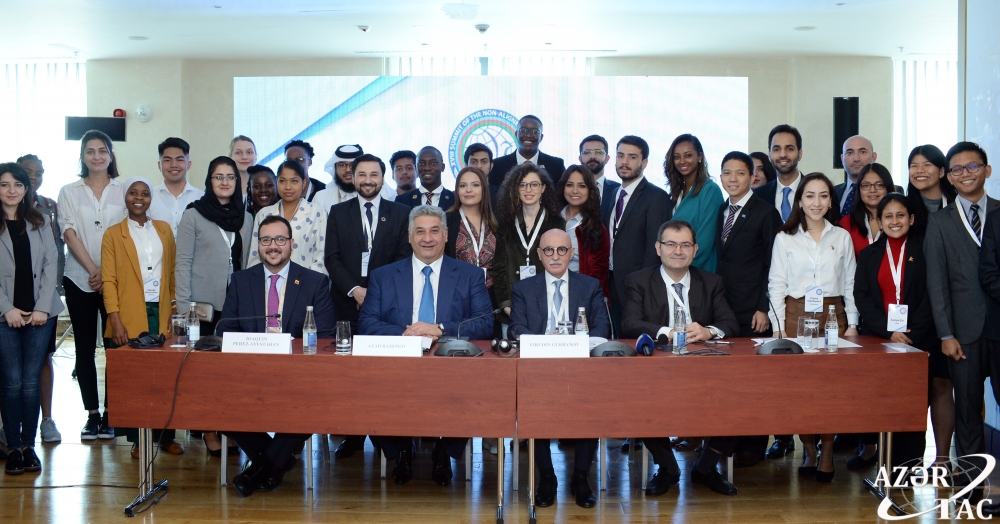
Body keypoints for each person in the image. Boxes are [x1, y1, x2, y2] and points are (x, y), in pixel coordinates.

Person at [359, 205, 493, 487]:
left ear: (446, 235)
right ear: (409, 237)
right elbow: (367, 323)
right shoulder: (384, 275)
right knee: (363, 390)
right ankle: (400, 449)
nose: (427, 238)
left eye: (434, 231)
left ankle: (445, 450)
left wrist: (439, 328)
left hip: (453, 368)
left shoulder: (470, 275)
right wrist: (406, 333)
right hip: (397, 367)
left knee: (482, 390)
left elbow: (484, 323)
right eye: (420, 231)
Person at [621, 220, 739, 496]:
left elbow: (730, 323)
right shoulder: (638, 281)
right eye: (671, 244)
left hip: (704, 371)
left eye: (685, 245)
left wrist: (708, 331)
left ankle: (706, 467)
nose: (678, 251)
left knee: (741, 399)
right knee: (637, 400)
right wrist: (669, 333)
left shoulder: (711, 282)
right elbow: (629, 323)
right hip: (655, 373)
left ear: (695, 250)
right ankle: (668, 468)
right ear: (658, 248)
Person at [221, 215, 336, 498]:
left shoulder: (314, 282)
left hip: (297, 375)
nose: (273, 246)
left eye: (280, 240)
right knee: (217, 402)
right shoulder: (240, 280)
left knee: (310, 403)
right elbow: (226, 328)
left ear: (291, 244)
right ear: (258, 245)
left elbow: (325, 336)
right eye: (266, 240)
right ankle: (276, 461)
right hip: (249, 373)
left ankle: (263, 466)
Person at [508, 229, 610, 508]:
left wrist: (575, 344)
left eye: (562, 250)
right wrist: (545, 342)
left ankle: (580, 477)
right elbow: (516, 329)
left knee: (591, 405)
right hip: (538, 368)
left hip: (580, 367)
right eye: (549, 251)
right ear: (539, 255)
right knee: (533, 404)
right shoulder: (523, 289)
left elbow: (602, 329)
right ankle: (547, 477)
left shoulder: (589, 286)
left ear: (571, 253)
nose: (555, 256)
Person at [767, 172, 859, 481]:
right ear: (800, 200)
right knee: (801, 389)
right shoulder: (785, 237)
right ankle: (808, 449)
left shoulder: (841, 237)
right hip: (795, 316)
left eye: (823, 196)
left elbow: (850, 283)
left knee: (832, 389)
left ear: (830, 201)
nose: (816, 202)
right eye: (810, 196)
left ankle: (828, 451)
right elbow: (776, 284)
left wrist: (853, 322)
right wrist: (778, 328)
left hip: (834, 317)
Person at [927, 141, 998, 485]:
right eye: (958, 169)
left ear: (987, 170)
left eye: (973, 167)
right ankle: (971, 482)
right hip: (962, 334)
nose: (966, 174)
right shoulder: (939, 222)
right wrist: (946, 334)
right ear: (949, 178)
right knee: (968, 411)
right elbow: (936, 283)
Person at [853, 194, 937, 473]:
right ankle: (884, 465)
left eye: (900, 215)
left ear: (911, 219)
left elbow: (932, 295)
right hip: (881, 340)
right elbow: (862, 297)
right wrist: (890, 331)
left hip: (918, 339)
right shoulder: (869, 255)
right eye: (887, 216)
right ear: (879, 221)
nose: (894, 221)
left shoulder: (925, 249)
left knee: (912, 405)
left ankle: (910, 468)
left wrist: (912, 330)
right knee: (882, 402)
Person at [174, 157, 253, 455]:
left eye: (230, 177)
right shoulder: (193, 214)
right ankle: (208, 429)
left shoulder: (246, 218)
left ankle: (229, 426)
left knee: (232, 373)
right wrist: (185, 306)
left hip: (236, 306)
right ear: (209, 180)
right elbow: (182, 263)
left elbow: (247, 263)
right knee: (205, 373)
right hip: (201, 308)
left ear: (237, 182)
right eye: (218, 177)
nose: (224, 182)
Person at [100, 177, 182, 457]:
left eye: (145, 193)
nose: (139, 198)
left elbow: (171, 273)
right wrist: (116, 319)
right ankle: (138, 439)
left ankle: (166, 436)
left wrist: (174, 309)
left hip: (160, 310)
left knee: (164, 376)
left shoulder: (164, 229)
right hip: (130, 311)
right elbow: (108, 281)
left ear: (151, 199)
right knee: (135, 379)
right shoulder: (113, 234)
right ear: (125, 197)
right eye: (133, 193)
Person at [58, 129, 125, 441]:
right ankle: (92, 415)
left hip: (116, 280)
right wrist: (93, 269)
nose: (97, 156)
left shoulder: (124, 189)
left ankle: (113, 414)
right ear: (82, 156)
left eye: (102, 150)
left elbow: (127, 234)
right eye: (90, 151)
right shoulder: (69, 191)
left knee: (114, 348)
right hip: (78, 278)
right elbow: (69, 233)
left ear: (111, 155)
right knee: (84, 349)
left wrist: (106, 273)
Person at [0, 162, 61, 475]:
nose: (12, 191)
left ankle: (28, 446)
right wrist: (5, 308)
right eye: (5, 184)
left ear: (26, 189)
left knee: (29, 383)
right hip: (4, 316)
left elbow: (52, 264)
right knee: (10, 383)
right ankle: (12, 448)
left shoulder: (39, 220)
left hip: (40, 313)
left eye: (18, 185)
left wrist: (41, 307)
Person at [324, 154, 412, 329]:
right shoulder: (338, 213)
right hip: (345, 304)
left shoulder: (401, 213)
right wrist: (355, 290)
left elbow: (402, 258)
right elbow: (332, 259)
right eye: (362, 175)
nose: (368, 180)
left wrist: (374, 294)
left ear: (382, 178)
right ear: (354, 178)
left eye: (374, 175)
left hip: (388, 304)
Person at [17, 154, 63, 443]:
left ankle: (46, 419)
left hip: (44, 298)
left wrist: (50, 295)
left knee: (42, 359)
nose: (34, 177)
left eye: (39, 172)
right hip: (9, 300)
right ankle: (10, 425)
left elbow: (55, 253)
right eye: (27, 172)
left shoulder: (49, 207)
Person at [606, 135, 673, 337]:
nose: (624, 162)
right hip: (612, 283)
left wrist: (644, 290)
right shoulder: (613, 193)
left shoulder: (657, 197)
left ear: (644, 163)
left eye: (632, 157)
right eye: (620, 155)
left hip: (639, 288)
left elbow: (655, 249)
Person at [715, 152, 782, 338]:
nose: (733, 179)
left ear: (752, 177)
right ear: (720, 177)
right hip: (724, 306)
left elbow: (774, 264)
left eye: (740, 173)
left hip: (753, 310)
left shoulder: (766, 212)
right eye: (727, 173)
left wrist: (764, 308)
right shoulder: (722, 209)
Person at [492, 163, 566, 326]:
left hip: (546, 302)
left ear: (543, 188)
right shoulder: (506, 223)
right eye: (523, 185)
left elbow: (559, 264)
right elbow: (499, 267)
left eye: (534, 185)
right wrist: (505, 304)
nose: (528, 189)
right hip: (513, 304)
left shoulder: (556, 222)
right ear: (516, 189)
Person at [445, 166, 499, 335]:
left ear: (484, 188)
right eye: (462, 186)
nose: (468, 190)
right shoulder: (446, 220)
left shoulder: (497, 222)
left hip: (491, 298)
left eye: (475, 185)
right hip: (456, 297)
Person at [248, 160, 328, 275]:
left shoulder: (317, 213)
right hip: (269, 285)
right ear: (276, 182)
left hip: (305, 286)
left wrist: (309, 287)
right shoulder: (264, 214)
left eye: (294, 181)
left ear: (304, 183)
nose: (288, 187)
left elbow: (321, 259)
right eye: (282, 181)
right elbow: (255, 257)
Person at [665, 134, 725, 271]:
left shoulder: (710, 190)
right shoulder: (677, 191)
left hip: (698, 271)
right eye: (676, 157)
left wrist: (682, 270)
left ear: (700, 157)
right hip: (675, 269)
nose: (682, 161)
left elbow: (705, 242)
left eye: (688, 155)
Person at [556, 164, 610, 298]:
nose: (574, 191)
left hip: (580, 296)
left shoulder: (597, 229)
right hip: (547, 293)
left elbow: (599, 275)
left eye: (581, 186)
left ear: (590, 190)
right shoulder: (550, 220)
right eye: (569, 185)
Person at [487, 115, 566, 191]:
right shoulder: (498, 165)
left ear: (541, 137)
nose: (528, 135)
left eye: (535, 132)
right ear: (516, 134)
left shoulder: (556, 166)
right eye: (523, 130)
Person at [314, 144, 396, 211]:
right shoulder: (321, 198)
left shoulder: (386, 194)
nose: (348, 170)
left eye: (353, 165)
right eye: (342, 165)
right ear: (335, 168)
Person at [148, 137, 203, 235]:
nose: (174, 165)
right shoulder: (149, 197)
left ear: (188, 164)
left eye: (180, 160)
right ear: (159, 165)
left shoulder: (202, 198)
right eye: (167, 160)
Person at [839, 163, 893, 256]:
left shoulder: (898, 221)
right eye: (866, 185)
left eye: (879, 185)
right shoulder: (846, 223)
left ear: (888, 188)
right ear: (859, 189)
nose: (872, 190)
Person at [754, 124, 805, 223]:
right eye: (776, 149)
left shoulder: (817, 191)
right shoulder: (759, 196)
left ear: (800, 154)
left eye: (789, 149)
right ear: (769, 155)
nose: (783, 155)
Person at [907, 144, 957, 239]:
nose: (919, 170)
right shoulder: (904, 207)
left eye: (927, 165)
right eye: (914, 166)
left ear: (941, 172)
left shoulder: (957, 204)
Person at [578, 134, 622, 223]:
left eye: (598, 152)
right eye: (587, 152)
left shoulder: (619, 190)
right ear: (580, 158)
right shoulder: (569, 190)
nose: (592, 156)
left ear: (607, 158)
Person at [835, 135, 878, 217]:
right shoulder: (831, 192)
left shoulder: (889, 191)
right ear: (842, 158)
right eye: (849, 153)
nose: (856, 158)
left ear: (874, 157)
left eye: (862, 152)